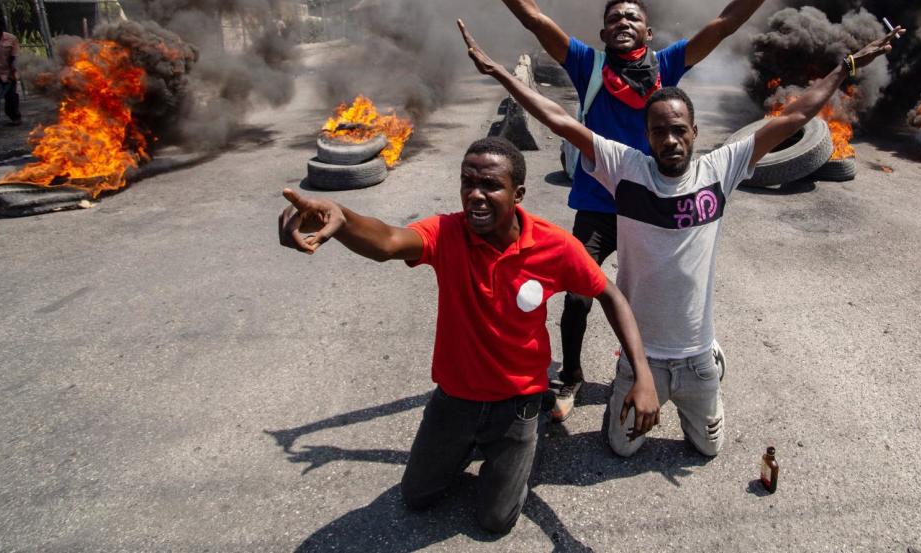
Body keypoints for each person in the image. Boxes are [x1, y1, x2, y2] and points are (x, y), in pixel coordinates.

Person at [457, 18, 902, 458]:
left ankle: (713, 361)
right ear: (646, 137)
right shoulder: (625, 168)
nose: (669, 140)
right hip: (640, 357)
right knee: (621, 448)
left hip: (696, 357)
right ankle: (630, 382)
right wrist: (498, 72)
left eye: (678, 130)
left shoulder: (721, 169)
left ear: (694, 133)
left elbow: (798, 114)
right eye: (658, 132)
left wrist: (846, 66)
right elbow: (557, 118)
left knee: (709, 449)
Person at [463, 0, 817, 422]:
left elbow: (725, 23)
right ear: (604, 34)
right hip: (601, 205)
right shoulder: (587, 64)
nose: (623, 21)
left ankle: (685, 363)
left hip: (655, 206)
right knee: (578, 296)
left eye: (633, 16)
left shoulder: (668, 65)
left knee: (668, 296)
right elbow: (533, 17)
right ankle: (572, 378)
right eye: (614, 18)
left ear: (648, 33)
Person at [276, 137, 659, 534]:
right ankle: (469, 445)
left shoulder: (555, 246)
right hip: (455, 398)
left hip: (518, 402)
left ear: (518, 194)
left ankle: (525, 442)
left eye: (490, 185)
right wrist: (340, 218)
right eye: (467, 182)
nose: (475, 194)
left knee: (495, 520)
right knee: (416, 497)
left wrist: (642, 375)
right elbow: (388, 241)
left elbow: (610, 294)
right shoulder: (446, 232)